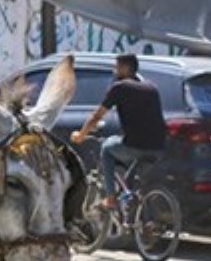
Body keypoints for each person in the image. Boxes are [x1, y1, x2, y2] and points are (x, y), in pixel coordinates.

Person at [71, 53, 167, 207]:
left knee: (106, 148)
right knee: (130, 178)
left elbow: (96, 116)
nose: (114, 71)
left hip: (135, 146)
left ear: (125, 68)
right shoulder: (152, 87)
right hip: (158, 148)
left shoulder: (120, 87)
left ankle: (110, 198)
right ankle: (136, 207)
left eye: (117, 67)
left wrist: (81, 135)